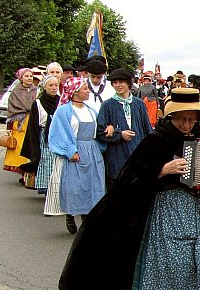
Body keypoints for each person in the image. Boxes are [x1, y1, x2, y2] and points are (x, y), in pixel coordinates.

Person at [58, 88, 200, 290]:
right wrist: (162, 169)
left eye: (191, 119)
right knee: (167, 262)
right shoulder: (156, 140)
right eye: (181, 119)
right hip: (168, 208)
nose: (186, 124)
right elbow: (130, 177)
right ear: (170, 117)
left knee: (199, 261)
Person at [47, 77, 105, 234]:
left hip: (92, 151)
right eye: (85, 89)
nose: (88, 91)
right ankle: (70, 215)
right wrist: (70, 151)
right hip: (76, 151)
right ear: (75, 92)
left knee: (93, 186)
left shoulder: (91, 110)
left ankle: (87, 220)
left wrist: (108, 130)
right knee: (74, 187)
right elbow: (59, 133)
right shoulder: (64, 111)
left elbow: (98, 129)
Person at [96, 68, 154, 187]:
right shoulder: (107, 105)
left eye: (121, 82)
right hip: (117, 156)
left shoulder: (139, 104)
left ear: (128, 83)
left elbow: (147, 128)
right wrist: (119, 134)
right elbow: (100, 131)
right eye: (115, 82)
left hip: (137, 154)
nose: (118, 85)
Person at [18, 75, 60, 191]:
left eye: (56, 85)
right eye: (51, 85)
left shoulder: (61, 102)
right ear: (44, 87)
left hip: (57, 136)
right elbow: (33, 126)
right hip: (43, 138)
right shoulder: (38, 103)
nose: (54, 88)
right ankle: (46, 190)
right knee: (46, 162)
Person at [3, 67, 37, 175]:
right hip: (19, 124)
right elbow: (11, 110)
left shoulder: (36, 90)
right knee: (19, 148)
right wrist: (9, 128)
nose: (29, 78)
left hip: (32, 121)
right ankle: (22, 171)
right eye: (26, 76)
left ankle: (30, 171)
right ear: (21, 78)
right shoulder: (15, 92)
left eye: (31, 76)